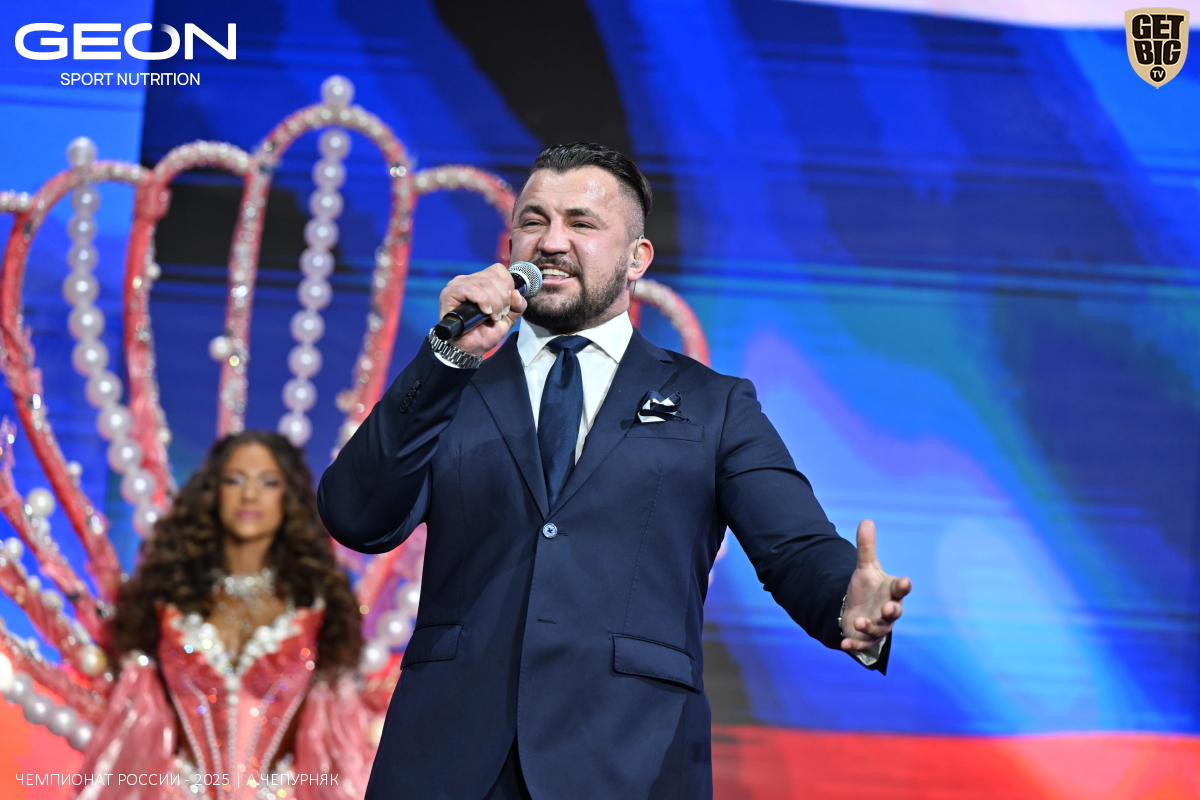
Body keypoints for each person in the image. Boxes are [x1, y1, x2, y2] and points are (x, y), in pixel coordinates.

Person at [318, 143, 912, 800]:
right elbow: (356, 515)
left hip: (631, 760)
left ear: (637, 258)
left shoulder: (713, 405)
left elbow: (794, 546)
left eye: (582, 222)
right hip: (445, 763)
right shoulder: (453, 386)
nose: (551, 242)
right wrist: (444, 358)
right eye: (534, 221)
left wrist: (848, 601)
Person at [74, 431, 375, 800]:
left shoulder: (315, 610)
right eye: (235, 480)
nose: (250, 495)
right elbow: (134, 736)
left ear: (289, 497)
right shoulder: (167, 603)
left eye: (268, 482)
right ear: (213, 491)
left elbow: (334, 751)